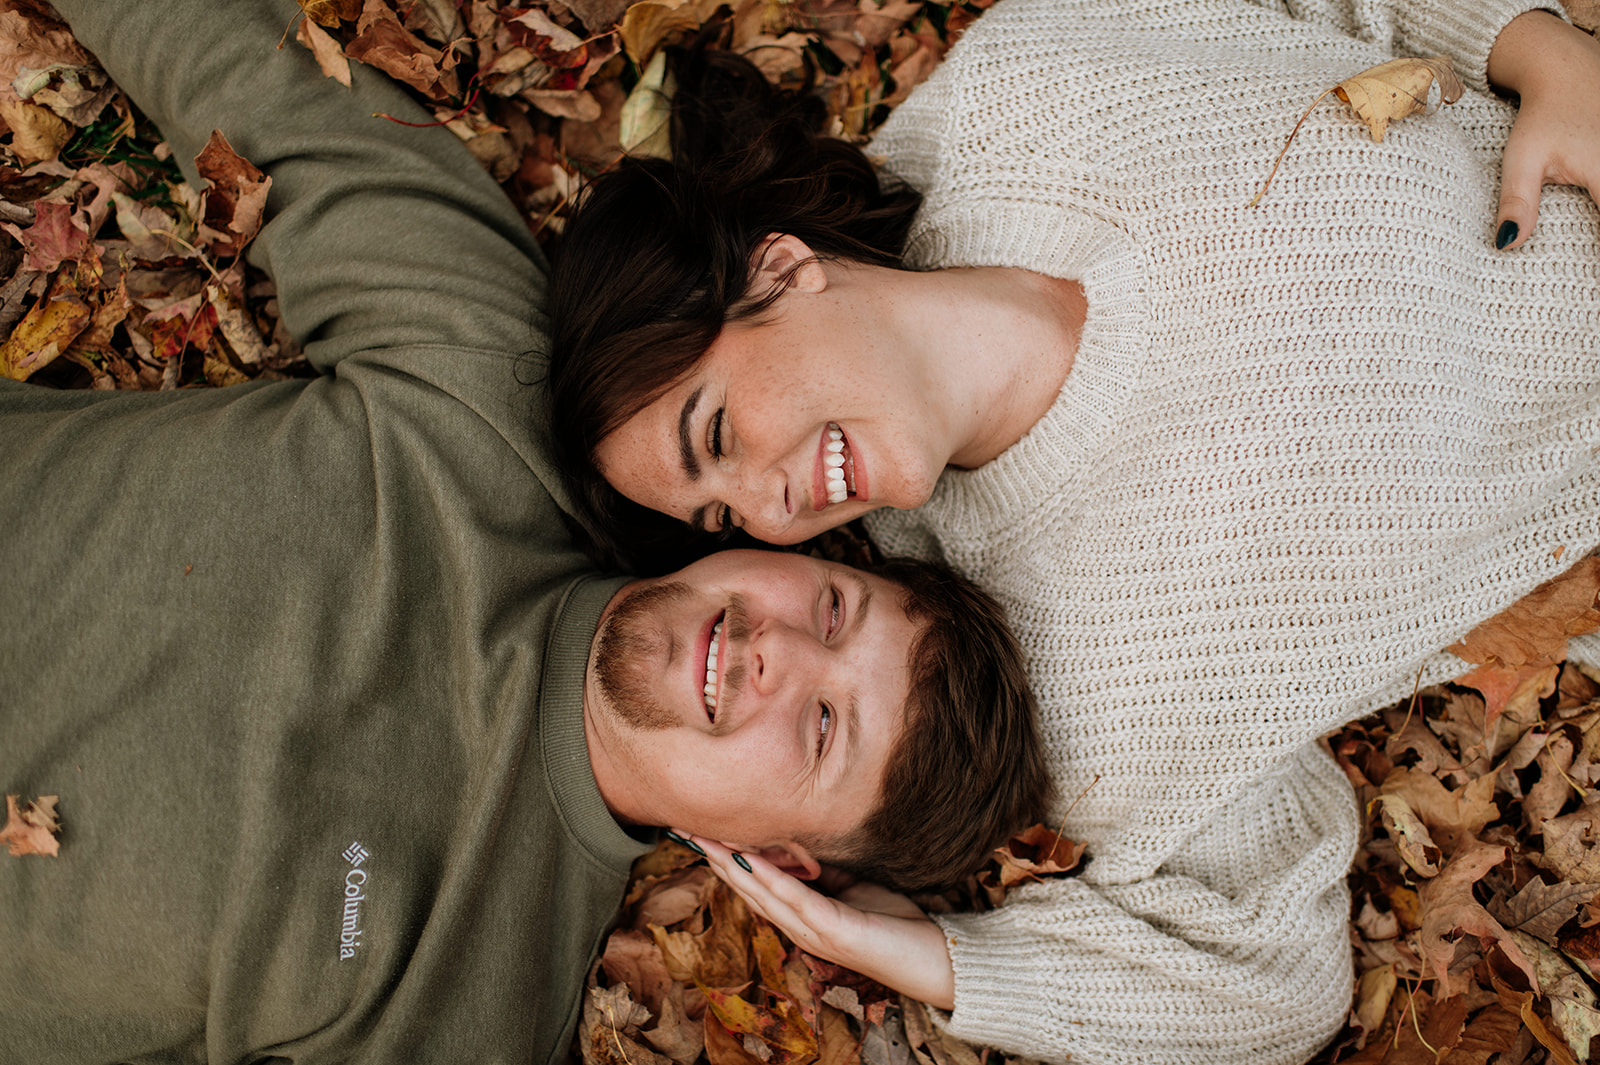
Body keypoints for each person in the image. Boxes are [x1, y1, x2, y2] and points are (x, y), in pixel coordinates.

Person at [545, 1, 1600, 1062]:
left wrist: (1533, 47)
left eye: (718, 432)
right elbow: (1273, 987)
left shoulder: (1020, 88)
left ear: (778, 268)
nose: (773, 509)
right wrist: (944, 963)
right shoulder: (1084, 681)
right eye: (723, 515)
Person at [0, 0, 1050, 1062]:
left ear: (782, 861)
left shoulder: (465, 1013)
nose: (781, 652)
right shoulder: (480, 405)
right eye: (831, 609)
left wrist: (970, 974)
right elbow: (248, 83)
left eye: (824, 727)